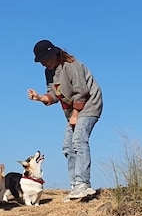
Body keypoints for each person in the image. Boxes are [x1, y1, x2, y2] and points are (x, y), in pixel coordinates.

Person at [27, 39, 103, 200]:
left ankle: (83, 183)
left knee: (79, 141)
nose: (43, 63)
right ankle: (75, 185)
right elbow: (54, 95)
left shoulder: (71, 65)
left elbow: (81, 91)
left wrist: (75, 114)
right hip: (74, 111)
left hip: (89, 106)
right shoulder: (49, 72)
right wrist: (39, 97)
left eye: (44, 59)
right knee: (67, 147)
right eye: (40, 61)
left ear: (54, 54)